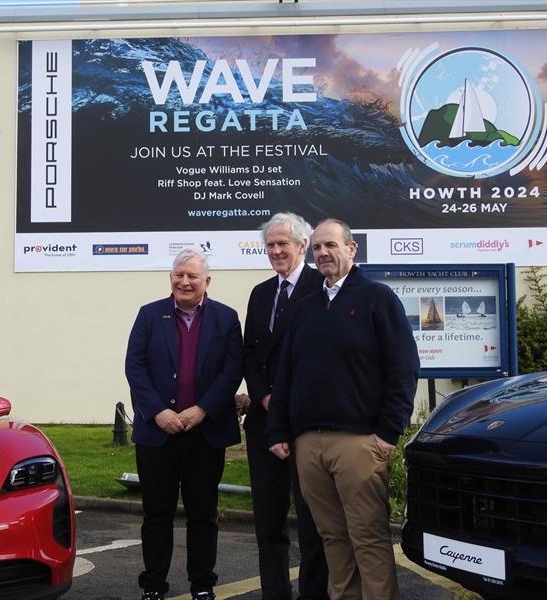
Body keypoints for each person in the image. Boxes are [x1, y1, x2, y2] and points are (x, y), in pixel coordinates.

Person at [267, 219, 419, 600]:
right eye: (317, 247)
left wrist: (388, 435)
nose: (323, 253)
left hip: (360, 443)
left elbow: (403, 368)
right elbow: (286, 374)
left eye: (331, 245)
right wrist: (278, 430)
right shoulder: (304, 310)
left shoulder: (377, 299)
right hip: (309, 446)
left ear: (352, 250)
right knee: (332, 539)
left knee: (368, 539)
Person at [125, 248, 243, 600]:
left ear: (207, 281)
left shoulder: (226, 318)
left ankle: (203, 585)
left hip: (205, 433)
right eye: (179, 275)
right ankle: (154, 586)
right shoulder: (149, 315)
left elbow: (231, 370)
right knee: (156, 515)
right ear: (171, 278)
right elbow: (135, 367)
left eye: (192, 276)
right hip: (157, 433)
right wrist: (158, 411)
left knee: (202, 515)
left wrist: (203, 409)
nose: (185, 281)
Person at [242, 212, 329, 600]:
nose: (276, 251)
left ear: (302, 246)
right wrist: (263, 396)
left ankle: (314, 594)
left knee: (312, 521)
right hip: (264, 424)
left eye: (283, 244)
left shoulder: (321, 287)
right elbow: (249, 354)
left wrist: (288, 402)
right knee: (268, 520)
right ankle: (274, 594)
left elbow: (324, 356)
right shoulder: (261, 293)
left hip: (306, 423)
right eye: (270, 245)